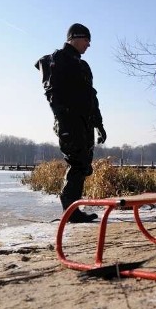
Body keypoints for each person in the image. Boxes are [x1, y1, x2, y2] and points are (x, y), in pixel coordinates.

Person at [35, 23, 107, 223]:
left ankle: (74, 208)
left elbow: (92, 97)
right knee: (76, 163)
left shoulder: (83, 66)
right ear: (74, 38)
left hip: (85, 122)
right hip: (69, 122)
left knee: (83, 164)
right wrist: (63, 117)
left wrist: (99, 124)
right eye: (86, 40)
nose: (89, 45)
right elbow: (51, 93)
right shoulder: (57, 60)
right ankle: (71, 211)